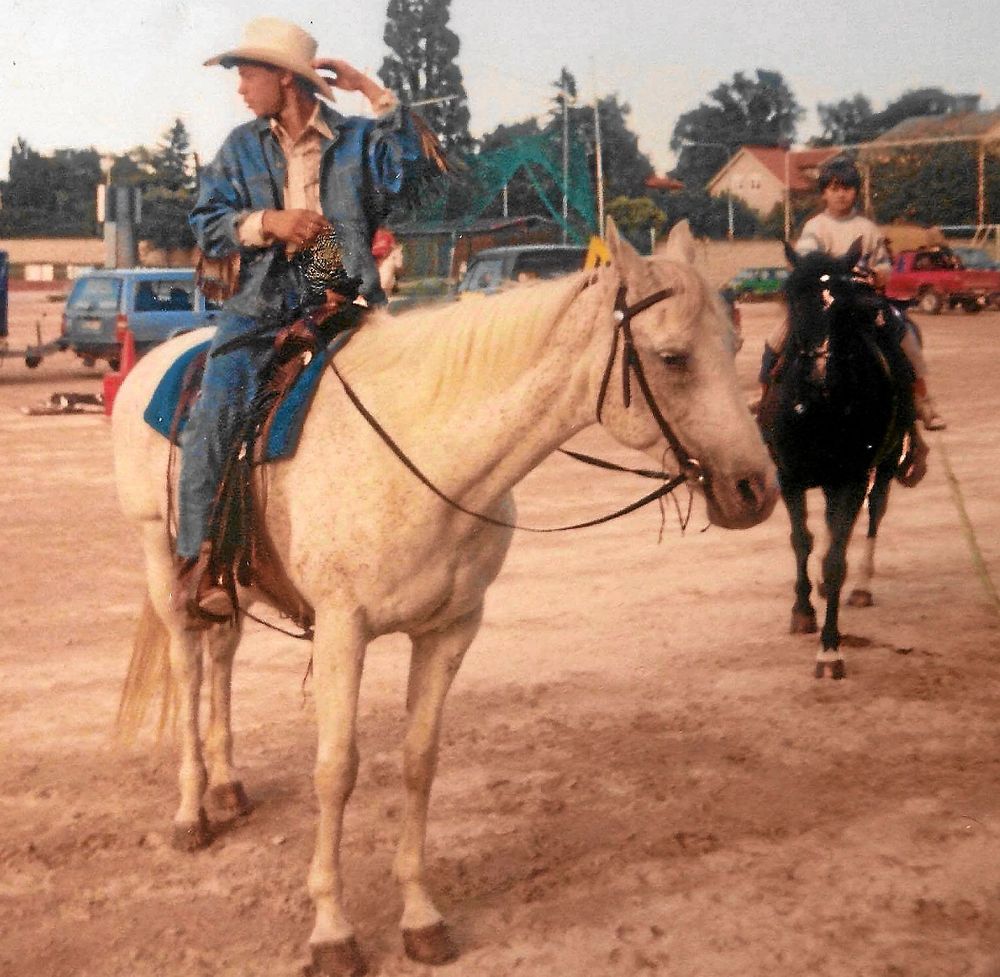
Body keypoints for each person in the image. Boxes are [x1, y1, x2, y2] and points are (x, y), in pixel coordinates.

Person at [173, 17, 424, 625]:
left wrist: (374, 91)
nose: (241, 89)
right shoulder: (240, 147)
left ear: (285, 79)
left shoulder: (360, 139)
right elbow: (206, 221)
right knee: (217, 408)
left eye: (249, 75)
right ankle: (199, 560)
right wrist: (269, 223)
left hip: (335, 275)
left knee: (409, 399)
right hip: (263, 295)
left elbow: (411, 178)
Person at [759, 156, 947, 440]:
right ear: (824, 192)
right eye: (834, 188)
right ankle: (766, 397)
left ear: (856, 191)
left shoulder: (868, 229)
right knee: (777, 337)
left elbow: (884, 264)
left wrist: (879, 275)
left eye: (847, 188)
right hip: (825, 300)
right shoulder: (815, 227)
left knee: (904, 330)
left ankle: (921, 397)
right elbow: (809, 262)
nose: (840, 194)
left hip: (862, 299)